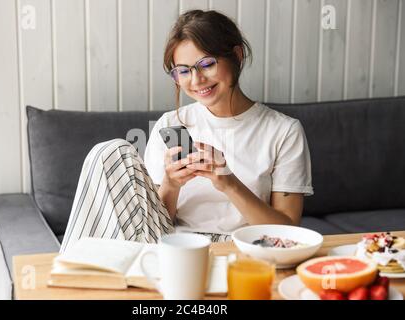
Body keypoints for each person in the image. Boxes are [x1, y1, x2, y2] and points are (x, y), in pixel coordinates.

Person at [60, 10, 313, 253]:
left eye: (206, 64)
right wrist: (171, 184)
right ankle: (68, 277)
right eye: (183, 70)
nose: (196, 80)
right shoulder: (171, 124)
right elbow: (154, 223)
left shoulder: (283, 131)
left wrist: (229, 184)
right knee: (111, 151)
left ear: (236, 56)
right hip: (174, 248)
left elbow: (287, 231)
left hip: (245, 250)